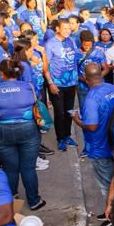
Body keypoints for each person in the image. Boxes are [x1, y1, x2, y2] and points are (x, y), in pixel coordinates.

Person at [0, 58, 46, 212]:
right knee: (28, 168)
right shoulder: (29, 86)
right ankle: (34, 201)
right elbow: (37, 101)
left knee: (10, 169)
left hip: (2, 130)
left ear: (1, 74)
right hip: (28, 128)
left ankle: (10, 200)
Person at [76, 62, 114, 226]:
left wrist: (76, 120)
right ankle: (110, 211)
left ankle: (113, 219)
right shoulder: (112, 88)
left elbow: (92, 126)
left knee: (106, 185)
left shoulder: (91, 98)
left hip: (99, 146)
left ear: (86, 79)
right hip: (113, 143)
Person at [43, 19, 80, 152]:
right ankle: (60, 139)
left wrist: (76, 81)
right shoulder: (50, 44)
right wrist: (51, 83)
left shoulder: (71, 40)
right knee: (59, 114)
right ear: (57, 29)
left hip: (71, 83)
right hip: (57, 84)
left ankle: (67, 135)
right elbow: (45, 67)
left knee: (69, 112)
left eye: (69, 28)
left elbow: (76, 59)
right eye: (64, 28)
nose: (67, 31)